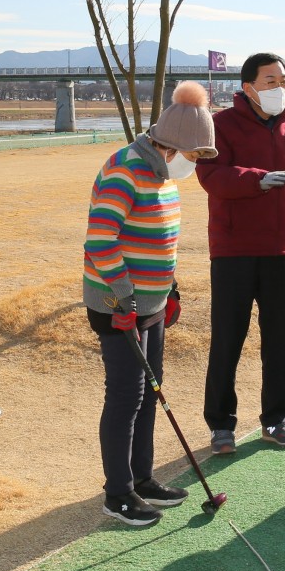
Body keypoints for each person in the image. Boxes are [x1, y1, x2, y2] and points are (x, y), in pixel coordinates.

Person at [83, 81, 217, 526]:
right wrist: (124, 296)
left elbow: (159, 241)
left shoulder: (162, 173)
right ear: (171, 145)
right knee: (127, 396)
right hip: (118, 303)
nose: (193, 166)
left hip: (150, 303)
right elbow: (101, 241)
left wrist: (168, 289)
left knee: (151, 390)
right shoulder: (126, 168)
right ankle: (117, 493)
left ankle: (142, 479)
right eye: (194, 156)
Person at [196, 53, 285, 455]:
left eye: (283, 80)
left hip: (282, 248)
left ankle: (276, 419)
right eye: (270, 81)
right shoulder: (220, 125)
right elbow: (211, 177)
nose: (279, 87)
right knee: (228, 338)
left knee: (278, 340)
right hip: (233, 249)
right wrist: (259, 180)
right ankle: (220, 425)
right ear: (248, 87)